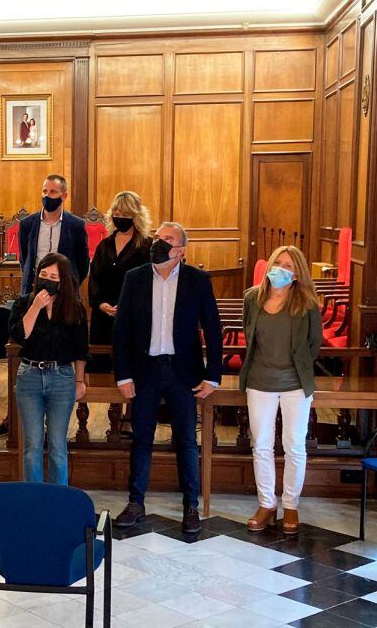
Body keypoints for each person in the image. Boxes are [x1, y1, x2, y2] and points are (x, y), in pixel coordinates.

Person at [111, 222, 222, 534]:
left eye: (168, 239)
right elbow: (121, 330)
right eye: (158, 237)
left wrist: (213, 375)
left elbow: (213, 328)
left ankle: (191, 506)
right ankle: (136, 503)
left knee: (186, 439)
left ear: (181, 250)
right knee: (141, 438)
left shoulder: (197, 280)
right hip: (144, 370)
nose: (159, 242)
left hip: (182, 371)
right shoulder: (135, 277)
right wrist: (123, 375)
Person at [0, 174, 88, 437]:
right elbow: (26, 259)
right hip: (34, 296)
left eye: (53, 192)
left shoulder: (76, 225)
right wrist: (36, 290)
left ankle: (56, 415)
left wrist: (63, 290)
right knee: (25, 348)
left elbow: (82, 263)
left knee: (59, 351)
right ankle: (14, 418)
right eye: (45, 191)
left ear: (64, 195)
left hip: (63, 298)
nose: (48, 196)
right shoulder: (28, 223)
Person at [241, 245, 322, 535]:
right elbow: (248, 335)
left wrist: (295, 368)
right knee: (261, 445)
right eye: (278, 263)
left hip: (295, 384)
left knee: (294, 446)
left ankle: (290, 505)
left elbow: (314, 344)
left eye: (288, 266)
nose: (281, 269)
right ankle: (266, 504)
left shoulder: (307, 303)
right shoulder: (252, 298)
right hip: (259, 381)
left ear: (297, 273)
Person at [10, 253, 88, 484]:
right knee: (32, 444)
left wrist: (79, 380)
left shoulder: (75, 308)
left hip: (61, 376)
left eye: (54, 277)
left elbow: (80, 350)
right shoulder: (23, 303)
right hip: (30, 375)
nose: (47, 280)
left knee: (57, 444)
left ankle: (58, 496)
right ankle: (34, 496)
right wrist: (35, 307)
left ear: (63, 281)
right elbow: (19, 335)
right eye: (43, 275)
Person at [88, 191, 153, 438]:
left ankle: (128, 418)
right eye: (116, 213)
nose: (120, 217)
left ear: (136, 216)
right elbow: (94, 279)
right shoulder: (104, 245)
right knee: (104, 366)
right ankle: (113, 415)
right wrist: (101, 304)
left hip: (134, 317)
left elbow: (149, 283)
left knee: (131, 366)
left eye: (125, 214)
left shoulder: (146, 246)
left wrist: (128, 307)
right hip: (104, 316)